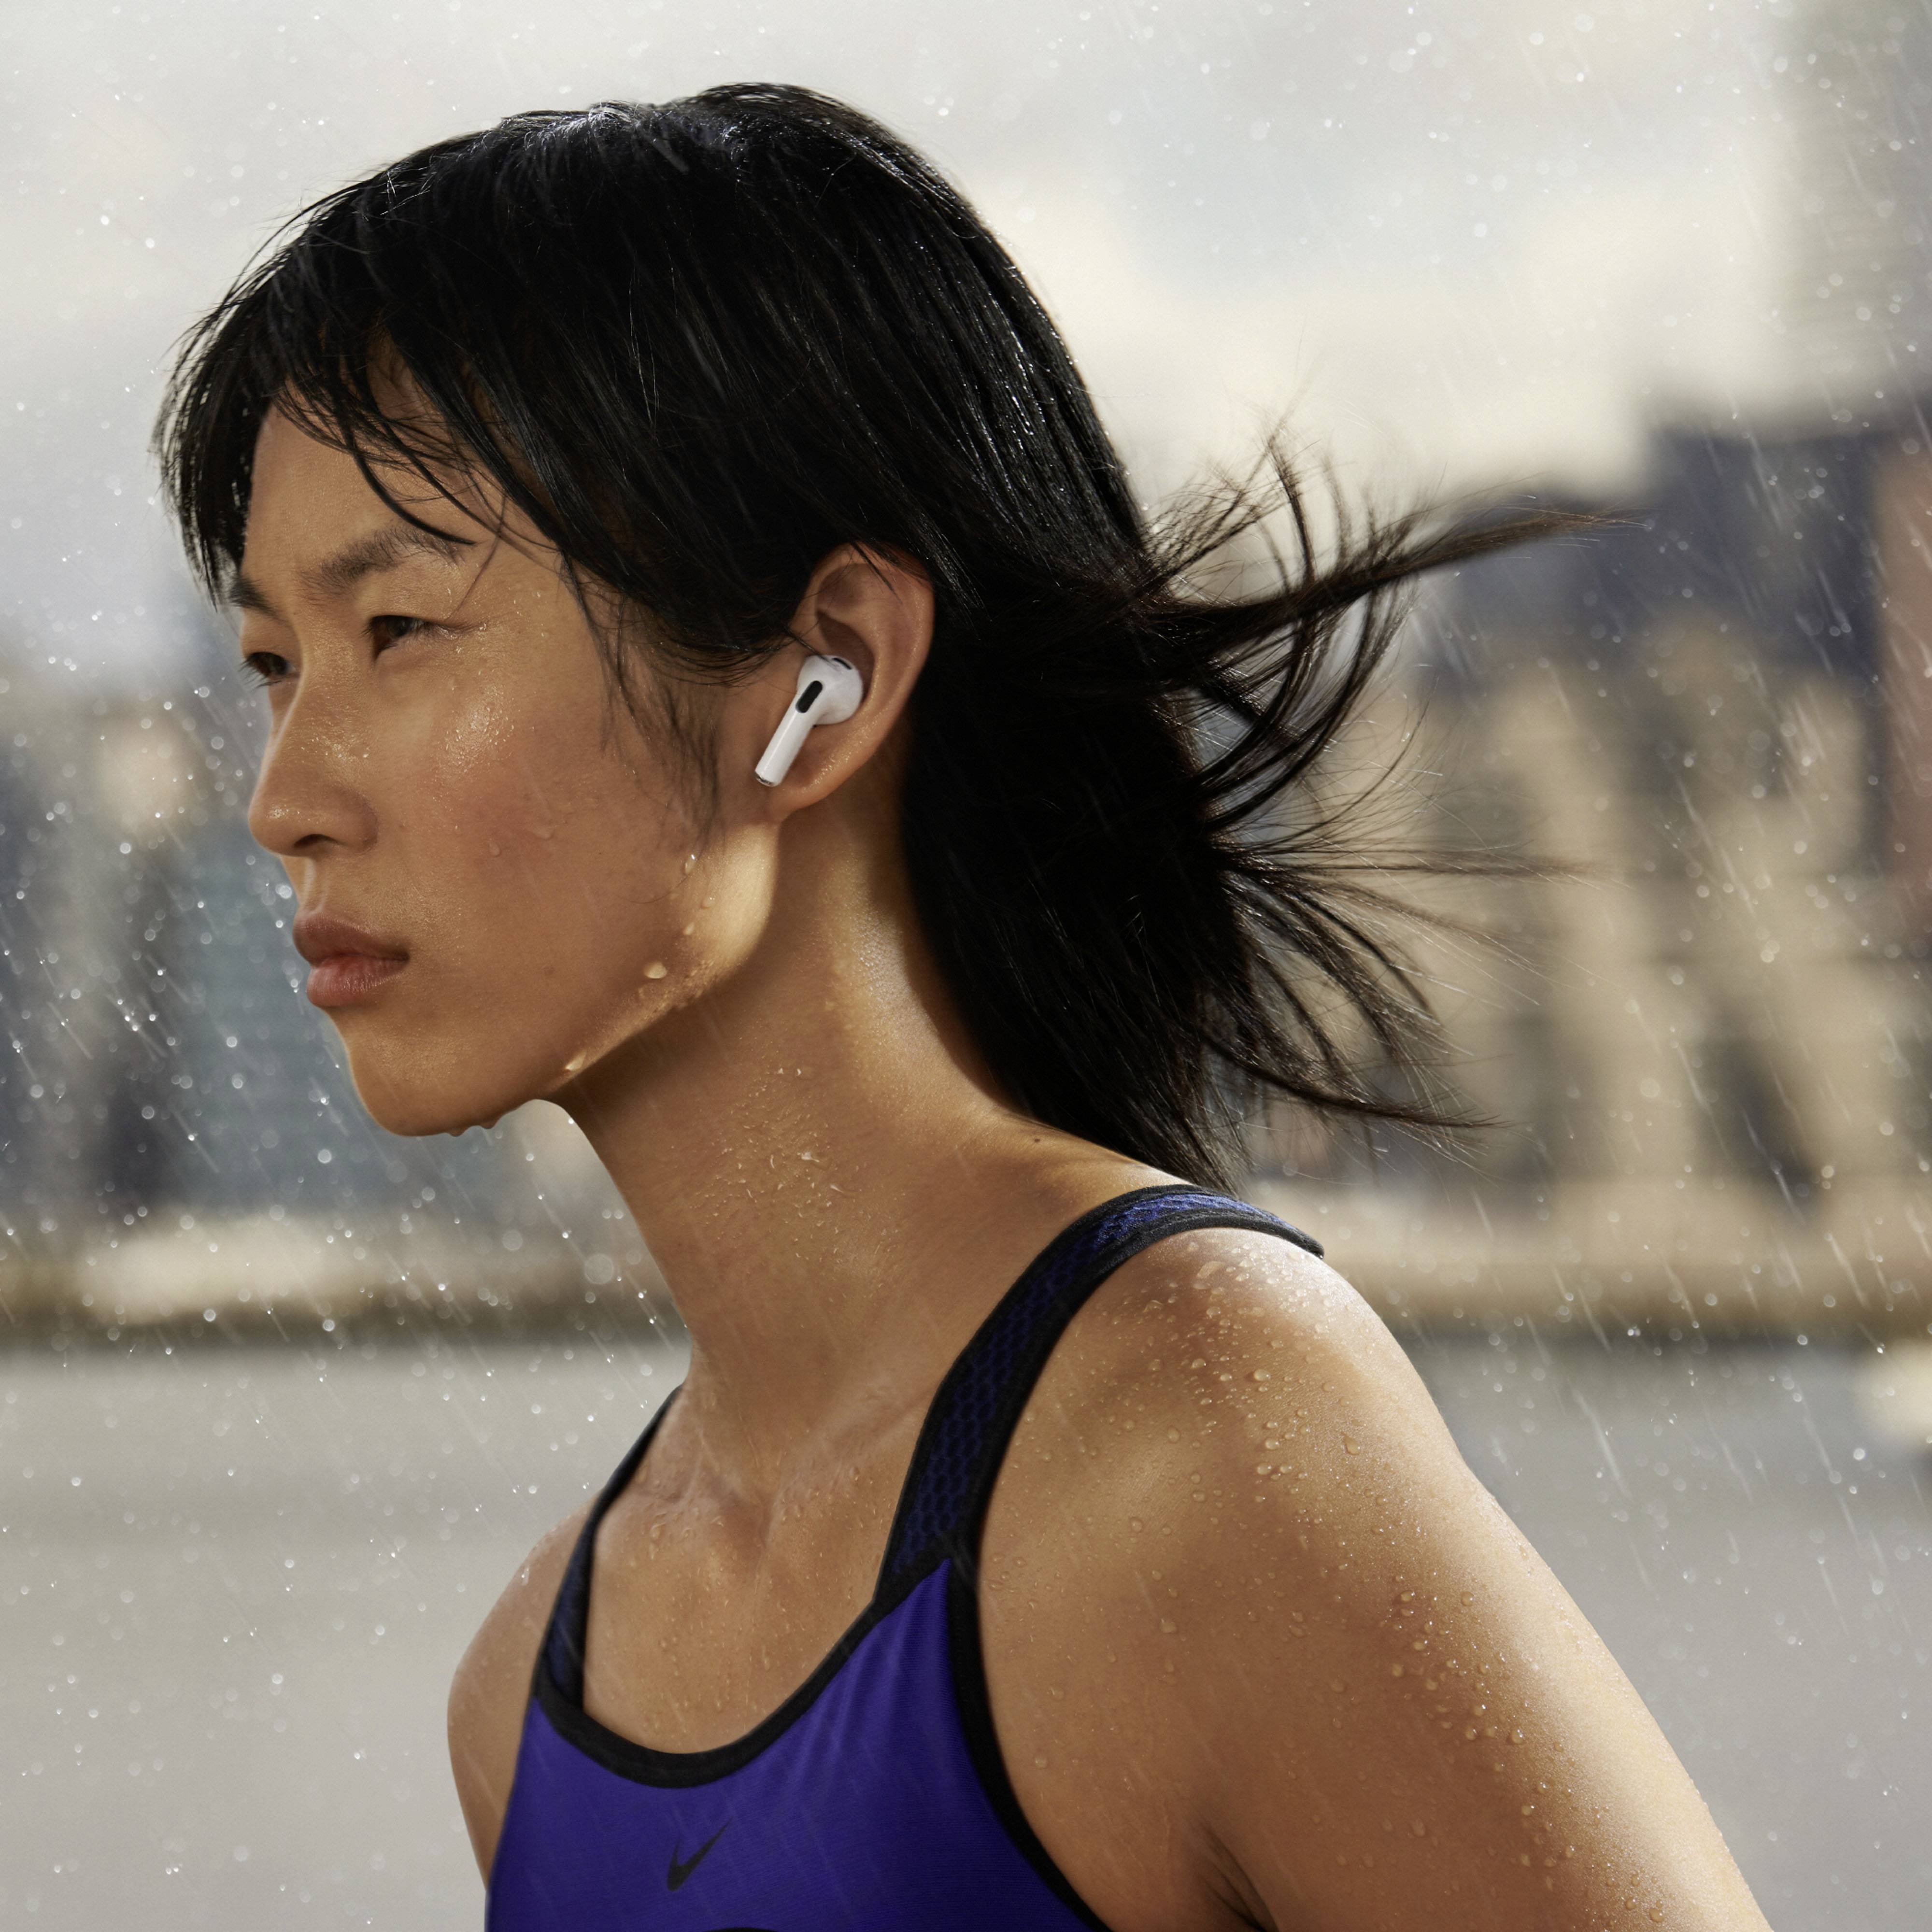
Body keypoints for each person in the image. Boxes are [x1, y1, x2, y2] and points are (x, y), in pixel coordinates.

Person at [155, 83, 1770, 1932]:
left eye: (398, 633)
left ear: (828, 674)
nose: (286, 795)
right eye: (273, 661)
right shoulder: (533, 1701)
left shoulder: (1200, 1442)